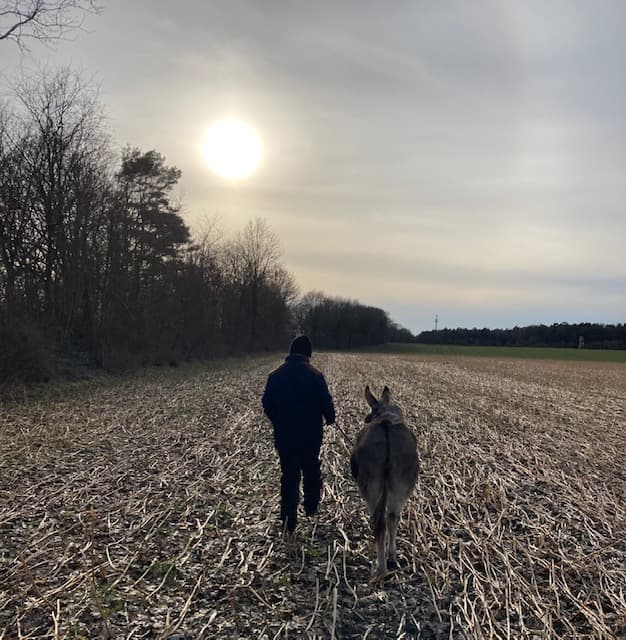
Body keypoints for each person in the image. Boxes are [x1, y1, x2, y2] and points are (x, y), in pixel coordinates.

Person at [262, 335, 336, 534]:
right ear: (308, 354)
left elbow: (267, 404)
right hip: (310, 434)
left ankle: (288, 520)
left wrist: (278, 420)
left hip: (285, 434)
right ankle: (311, 506)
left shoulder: (275, 375)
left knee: (289, 475)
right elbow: (326, 403)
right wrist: (330, 417)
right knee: (311, 467)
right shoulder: (315, 375)